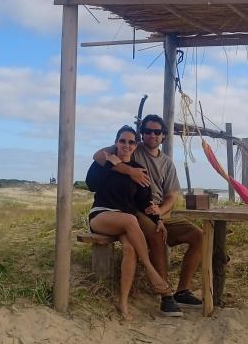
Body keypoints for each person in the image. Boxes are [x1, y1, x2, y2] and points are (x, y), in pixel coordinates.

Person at [93, 114, 203, 317]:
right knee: (156, 234)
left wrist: (161, 211)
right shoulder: (133, 148)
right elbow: (99, 156)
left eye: (157, 132)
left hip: (159, 210)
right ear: (142, 135)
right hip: (136, 209)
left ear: (163, 136)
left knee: (199, 236)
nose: (152, 135)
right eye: (148, 131)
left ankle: (182, 290)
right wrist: (129, 171)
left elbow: (171, 195)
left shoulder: (167, 163)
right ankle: (165, 297)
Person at [86, 125, 177, 320]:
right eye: (122, 141)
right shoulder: (104, 161)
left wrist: (157, 219)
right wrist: (112, 165)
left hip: (125, 221)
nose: (126, 145)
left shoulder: (138, 170)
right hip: (102, 215)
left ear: (136, 146)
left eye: (131, 142)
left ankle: (123, 303)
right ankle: (151, 271)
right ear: (116, 142)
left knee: (130, 249)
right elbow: (91, 184)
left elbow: (144, 202)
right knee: (130, 219)